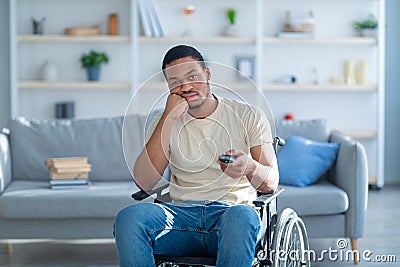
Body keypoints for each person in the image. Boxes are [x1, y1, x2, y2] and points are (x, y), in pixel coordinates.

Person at [114, 45, 279, 267]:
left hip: (229, 217)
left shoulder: (248, 115)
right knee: (129, 218)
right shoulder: (162, 122)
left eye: (193, 76)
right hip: (179, 218)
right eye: (175, 83)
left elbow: (271, 183)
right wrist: (168, 118)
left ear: (208, 74)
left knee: (242, 216)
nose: (187, 86)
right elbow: (144, 182)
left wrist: (248, 166)